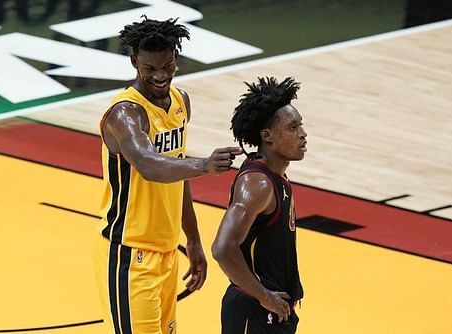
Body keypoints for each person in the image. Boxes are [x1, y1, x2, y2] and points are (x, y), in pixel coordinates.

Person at [93, 16, 242, 334]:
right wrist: (203, 165)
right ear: (135, 62)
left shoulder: (181, 102)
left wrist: (194, 239)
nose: (161, 76)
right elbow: (148, 164)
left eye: (168, 66)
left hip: (166, 251)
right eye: (150, 69)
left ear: (176, 58)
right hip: (129, 255)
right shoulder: (125, 115)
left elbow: (177, 174)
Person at [212, 77, 307, 334]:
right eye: (292, 127)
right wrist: (264, 296)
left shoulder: (276, 175)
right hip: (254, 309)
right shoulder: (258, 185)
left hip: (272, 311)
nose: (303, 134)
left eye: (301, 125)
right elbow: (222, 248)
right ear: (267, 136)